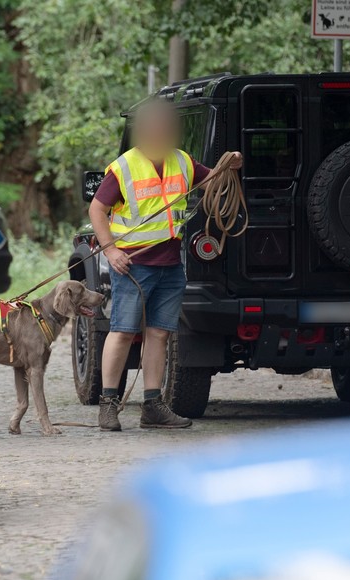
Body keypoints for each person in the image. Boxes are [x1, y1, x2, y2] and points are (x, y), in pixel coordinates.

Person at [88, 100, 242, 431]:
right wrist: (111, 251)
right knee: (123, 332)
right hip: (132, 265)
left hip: (171, 265)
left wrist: (229, 165)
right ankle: (108, 405)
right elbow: (97, 210)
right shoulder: (125, 167)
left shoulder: (182, 161)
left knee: (158, 335)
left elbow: (212, 182)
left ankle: (153, 407)